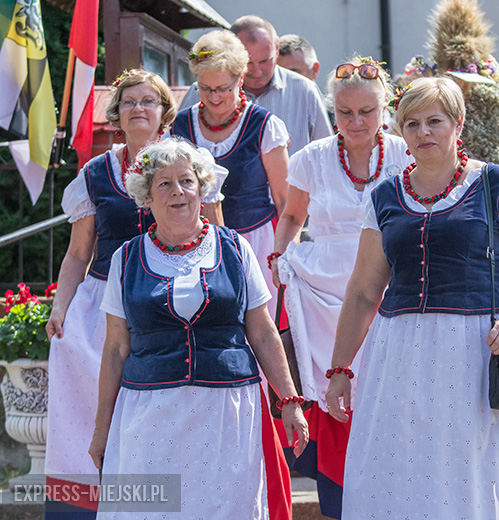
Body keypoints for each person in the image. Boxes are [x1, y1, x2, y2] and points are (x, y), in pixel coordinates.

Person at [325, 76, 499, 519]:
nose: (423, 133)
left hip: (471, 350)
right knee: (396, 466)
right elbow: (361, 293)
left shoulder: (495, 184)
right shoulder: (386, 196)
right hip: (397, 354)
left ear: (458, 123)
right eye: (411, 123)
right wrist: (339, 369)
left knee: (464, 468)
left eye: (435, 121)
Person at [88, 138, 308, 519]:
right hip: (150, 409)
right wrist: (101, 429)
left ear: (201, 188)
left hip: (225, 409)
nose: (178, 192)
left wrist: (289, 401)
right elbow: (115, 350)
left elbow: (262, 331)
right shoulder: (126, 258)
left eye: (186, 181)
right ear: (147, 195)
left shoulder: (235, 248)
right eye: (164, 183)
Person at [42, 70, 191, 517]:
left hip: (171, 297)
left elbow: (216, 238)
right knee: (86, 392)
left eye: (149, 101)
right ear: (117, 116)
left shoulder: (188, 164)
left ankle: (163, 502)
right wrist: (60, 308)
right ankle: (84, 506)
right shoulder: (97, 172)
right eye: (129, 102)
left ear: (165, 113)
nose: (139, 108)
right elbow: (77, 254)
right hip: (106, 297)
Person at [269, 57, 411, 519]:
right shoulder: (311, 158)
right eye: (345, 112)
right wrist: (279, 256)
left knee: (388, 387)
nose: (355, 122)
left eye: (365, 112)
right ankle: (339, 494)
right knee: (334, 387)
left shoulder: (407, 152)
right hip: (323, 285)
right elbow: (292, 215)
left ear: (384, 109)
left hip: (387, 277)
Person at [172, 29, 289, 315]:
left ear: (240, 80)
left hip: (257, 242)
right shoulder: (179, 127)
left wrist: (284, 255)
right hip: (193, 246)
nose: (214, 97)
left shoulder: (264, 126)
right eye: (205, 88)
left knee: (258, 324)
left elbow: (286, 201)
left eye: (223, 88)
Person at [179, 15, 331, 156]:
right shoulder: (201, 92)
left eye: (265, 61)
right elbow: (176, 150)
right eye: (249, 63)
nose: (257, 72)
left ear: (277, 48)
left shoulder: (305, 91)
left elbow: (326, 154)